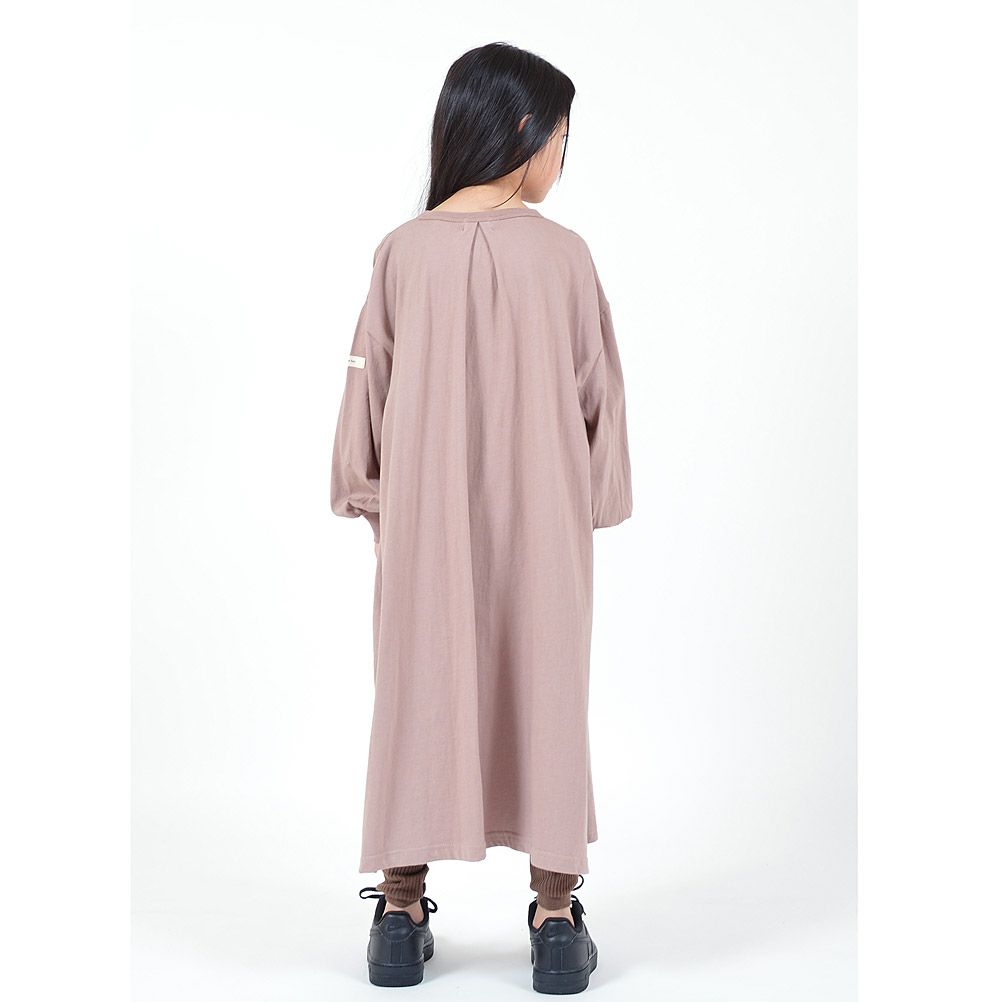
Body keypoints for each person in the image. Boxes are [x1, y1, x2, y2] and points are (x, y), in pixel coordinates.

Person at [330, 41, 632, 993]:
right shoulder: (566, 257)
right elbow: (600, 395)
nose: (562, 159)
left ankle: (400, 910)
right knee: (547, 686)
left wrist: (368, 491)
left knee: (416, 687)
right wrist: (596, 499)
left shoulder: (401, 252)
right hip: (544, 521)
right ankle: (555, 918)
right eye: (562, 140)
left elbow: (367, 384)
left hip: (424, 522)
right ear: (524, 130)